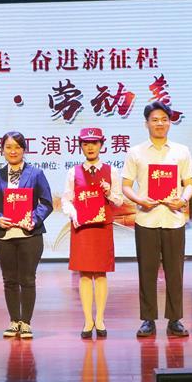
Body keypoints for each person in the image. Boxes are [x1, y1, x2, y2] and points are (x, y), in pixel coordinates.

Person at [122, 102, 192, 338]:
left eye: (164, 119)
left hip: (173, 219)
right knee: (147, 271)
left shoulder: (181, 151)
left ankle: (175, 320)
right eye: (154, 119)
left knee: (175, 271)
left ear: (170, 122)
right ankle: (148, 320)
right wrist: (140, 200)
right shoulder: (136, 152)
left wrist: (182, 200)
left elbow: (189, 184)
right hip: (146, 219)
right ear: (146, 123)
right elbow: (126, 185)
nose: (160, 123)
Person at [0, 132, 54, 339]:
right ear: (2, 150)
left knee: (28, 279)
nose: (13, 151)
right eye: (8, 147)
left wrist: (33, 219)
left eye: (17, 147)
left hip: (29, 235)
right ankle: (14, 321)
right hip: (4, 235)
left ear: (24, 150)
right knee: (9, 280)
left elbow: (46, 202)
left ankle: (26, 323)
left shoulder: (36, 174)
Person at [61, 128, 123, 339]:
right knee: (85, 274)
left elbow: (119, 201)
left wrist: (108, 192)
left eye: (94, 143)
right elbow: (66, 199)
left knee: (101, 273)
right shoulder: (73, 172)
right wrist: (74, 214)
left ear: (101, 145)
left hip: (102, 227)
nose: (90, 147)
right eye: (86, 143)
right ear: (80, 146)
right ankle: (88, 320)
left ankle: (100, 319)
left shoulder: (111, 171)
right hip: (83, 227)